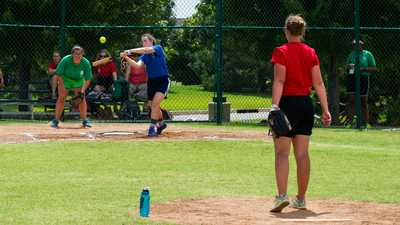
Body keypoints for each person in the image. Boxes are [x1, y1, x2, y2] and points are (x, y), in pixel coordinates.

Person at [269, 15, 331, 212]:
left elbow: (279, 81)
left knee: (281, 153)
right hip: (306, 104)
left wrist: (274, 107)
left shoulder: (281, 51)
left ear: (286, 30)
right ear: (302, 32)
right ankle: (301, 200)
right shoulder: (310, 52)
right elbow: (318, 83)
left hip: (287, 103)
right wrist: (326, 109)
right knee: (302, 154)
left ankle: (281, 197)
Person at [120, 33, 170, 137]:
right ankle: (161, 124)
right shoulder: (144, 56)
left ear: (151, 41)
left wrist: (130, 51)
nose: (143, 43)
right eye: (142, 41)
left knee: (155, 104)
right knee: (153, 106)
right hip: (151, 81)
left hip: (163, 80)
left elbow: (147, 50)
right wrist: (127, 57)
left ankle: (152, 128)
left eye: (145, 41)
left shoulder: (158, 48)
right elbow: (138, 66)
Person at [50, 45, 93, 127]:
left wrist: (82, 92)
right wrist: (62, 88)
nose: (78, 56)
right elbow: (59, 74)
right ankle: (56, 120)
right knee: (62, 97)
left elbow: (88, 79)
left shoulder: (86, 63)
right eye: (76, 53)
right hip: (65, 78)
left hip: (78, 79)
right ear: (72, 54)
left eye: (80, 54)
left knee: (81, 98)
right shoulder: (66, 60)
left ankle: (84, 120)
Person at [345, 35, 376, 130]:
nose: (354, 46)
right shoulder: (351, 55)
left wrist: (363, 69)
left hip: (363, 78)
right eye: (353, 44)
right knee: (351, 101)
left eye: (356, 44)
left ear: (361, 45)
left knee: (363, 101)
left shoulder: (368, 54)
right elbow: (346, 68)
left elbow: (374, 68)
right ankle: (350, 124)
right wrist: (348, 67)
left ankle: (367, 124)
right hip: (352, 77)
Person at [92, 49, 120, 113]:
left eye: (105, 56)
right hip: (102, 83)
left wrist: (115, 82)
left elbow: (114, 74)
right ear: (99, 57)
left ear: (107, 57)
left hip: (110, 82)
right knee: (97, 88)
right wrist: (87, 81)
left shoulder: (111, 63)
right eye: (101, 56)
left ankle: (115, 108)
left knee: (114, 88)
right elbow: (95, 75)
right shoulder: (97, 65)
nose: (102, 58)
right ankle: (107, 108)